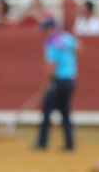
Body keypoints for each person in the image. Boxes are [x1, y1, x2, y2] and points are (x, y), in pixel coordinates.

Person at [34, 18, 79, 151]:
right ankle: (69, 143)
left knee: (47, 111)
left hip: (58, 81)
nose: (43, 33)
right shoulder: (66, 38)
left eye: (44, 30)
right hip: (69, 80)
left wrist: (45, 85)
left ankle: (42, 143)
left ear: (50, 29)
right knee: (65, 112)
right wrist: (67, 58)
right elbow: (80, 48)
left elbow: (50, 66)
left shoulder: (51, 42)